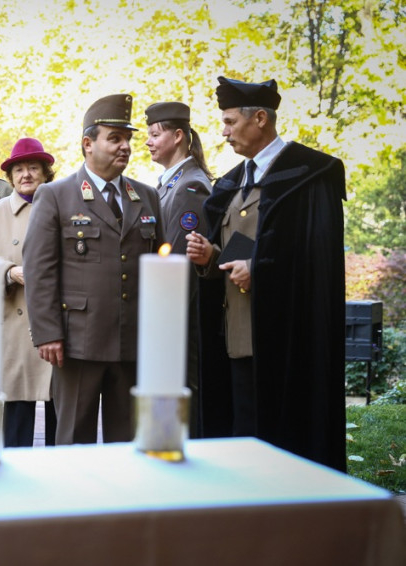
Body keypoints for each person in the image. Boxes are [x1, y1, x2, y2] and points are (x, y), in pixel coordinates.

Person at [186, 76, 346, 471]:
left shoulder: (309, 175)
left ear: (260, 118)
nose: (223, 133)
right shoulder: (231, 184)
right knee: (241, 440)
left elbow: (316, 258)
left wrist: (258, 271)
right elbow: (239, 249)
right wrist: (210, 257)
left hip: (286, 340)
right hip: (236, 336)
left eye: (229, 122)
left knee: (279, 448)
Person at [23, 94, 164, 445]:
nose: (125, 146)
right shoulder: (56, 195)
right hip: (77, 343)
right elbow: (39, 270)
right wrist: (48, 332)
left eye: (127, 139)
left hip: (132, 341)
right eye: (114, 138)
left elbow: (161, 270)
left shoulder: (147, 196)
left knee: (128, 441)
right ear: (88, 144)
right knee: (74, 438)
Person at [0, 138, 58, 447]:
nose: (26, 175)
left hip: (57, 322)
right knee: (17, 411)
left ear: (46, 173)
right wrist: (9, 271)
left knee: (60, 409)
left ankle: (60, 468)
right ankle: (14, 468)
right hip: (15, 321)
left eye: (33, 168)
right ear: (10, 177)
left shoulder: (64, 205)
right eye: (19, 170)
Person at [144, 101, 213, 438]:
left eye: (155, 134)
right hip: (170, 315)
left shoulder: (190, 187)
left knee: (184, 394)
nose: (148, 141)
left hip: (179, 318)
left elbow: (179, 262)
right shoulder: (170, 184)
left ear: (178, 136)